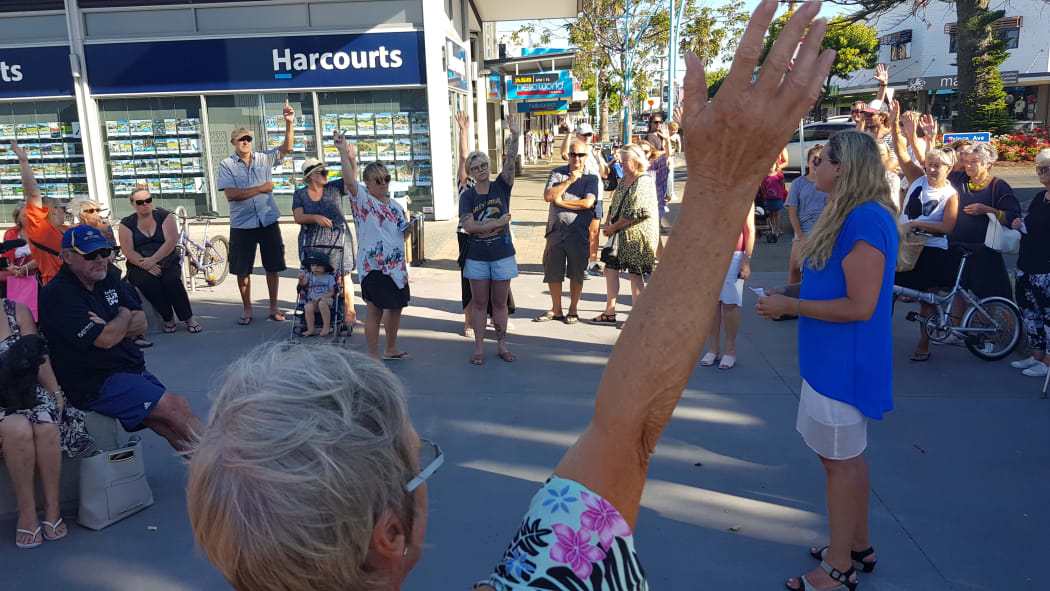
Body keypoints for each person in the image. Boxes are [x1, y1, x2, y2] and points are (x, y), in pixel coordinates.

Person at [185, 6, 836, 590]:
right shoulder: (546, 575)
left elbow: (627, 429)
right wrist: (722, 184)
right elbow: (627, 427)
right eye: (419, 461)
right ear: (391, 536)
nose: (424, 457)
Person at [757, 130, 900, 591]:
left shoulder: (865, 220)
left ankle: (839, 566)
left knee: (840, 463)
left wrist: (791, 306)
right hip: (829, 362)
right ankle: (856, 545)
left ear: (842, 168)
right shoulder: (852, 215)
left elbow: (861, 305)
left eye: (820, 160)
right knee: (843, 458)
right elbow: (834, 284)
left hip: (844, 365)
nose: (813, 166)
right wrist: (790, 291)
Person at [39, 225, 204, 451]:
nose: (100, 259)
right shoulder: (59, 294)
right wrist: (124, 314)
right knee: (177, 407)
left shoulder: (108, 276)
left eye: (104, 252)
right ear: (67, 257)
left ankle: (208, 470)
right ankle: (232, 466)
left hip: (126, 366)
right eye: (90, 254)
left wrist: (112, 324)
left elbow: (141, 323)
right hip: (94, 382)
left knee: (169, 423)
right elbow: (106, 339)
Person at [889, 101, 959, 362]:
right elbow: (901, 153)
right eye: (929, 164)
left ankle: (924, 343)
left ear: (948, 169)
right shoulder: (917, 178)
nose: (931, 169)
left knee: (927, 299)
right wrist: (895, 124)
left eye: (937, 166)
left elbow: (947, 227)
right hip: (906, 245)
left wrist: (918, 224)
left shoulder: (950, 194)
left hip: (931, 249)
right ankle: (878, 338)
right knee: (888, 291)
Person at [216, 99, 296, 325]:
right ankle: (247, 309)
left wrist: (289, 123)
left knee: (273, 266)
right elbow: (231, 195)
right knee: (242, 270)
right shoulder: (227, 165)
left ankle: (273, 307)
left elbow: (287, 148)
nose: (245, 142)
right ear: (233, 142)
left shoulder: (264, 158)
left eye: (248, 139)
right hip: (242, 224)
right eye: (241, 139)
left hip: (267, 220)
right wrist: (262, 188)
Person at [0, 297, 68, 549]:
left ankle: (53, 508)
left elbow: (40, 357)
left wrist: (56, 394)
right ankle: (27, 513)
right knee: (18, 429)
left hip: (26, 391)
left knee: (47, 423)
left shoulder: (15, 310)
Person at [344, 142, 413, 361]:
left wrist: (409, 229)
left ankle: (391, 348)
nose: (383, 183)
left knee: (397, 307)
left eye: (386, 179)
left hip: (396, 267)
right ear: (367, 183)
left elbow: (402, 236)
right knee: (375, 311)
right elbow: (349, 181)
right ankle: (373, 356)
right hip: (373, 266)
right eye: (378, 180)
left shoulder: (395, 206)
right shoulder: (363, 201)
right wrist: (345, 155)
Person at [935, 133, 1021, 307]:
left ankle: (992, 324)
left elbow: (1013, 217)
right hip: (956, 248)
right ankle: (960, 326)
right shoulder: (957, 179)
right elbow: (934, 170)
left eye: (974, 161)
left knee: (990, 299)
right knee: (957, 293)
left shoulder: (999, 186)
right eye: (966, 161)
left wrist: (989, 210)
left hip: (984, 253)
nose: (968, 165)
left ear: (988, 164)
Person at [461, 119, 521, 365]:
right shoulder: (468, 196)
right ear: (470, 172)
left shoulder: (501, 187)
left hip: (502, 254)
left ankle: (502, 345)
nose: (481, 170)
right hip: (477, 257)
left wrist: (515, 136)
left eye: (484, 165)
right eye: (475, 168)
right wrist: (496, 223)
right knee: (479, 304)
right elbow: (469, 227)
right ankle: (478, 348)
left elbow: (510, 162)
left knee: (500, 303)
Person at [591, 144, 658, 328]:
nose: (621, 162)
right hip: (619, 234)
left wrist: (613, 227)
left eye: (624, 159)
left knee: (635, 275)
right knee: (610, 269)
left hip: (636, 236)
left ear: (636, 161)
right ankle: (609, 311)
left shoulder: (643, 181)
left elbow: (637, 212)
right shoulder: (625, 180)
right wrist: (608, 221)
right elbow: (615, 203)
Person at [118, 189, 202, 334]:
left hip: (166, 259)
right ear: (133, 204)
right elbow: (128, 250)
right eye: (140, 202)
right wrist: (146, 265)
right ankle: (167, 318)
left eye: (148, 200)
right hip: (139, 264)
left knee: (172, 280)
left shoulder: (164, 216)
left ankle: (188, 318)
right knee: (148, 282)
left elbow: (171, 242)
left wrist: (153, 260)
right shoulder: (126, 223)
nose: (145, 204)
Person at [536, 139, 598, 325]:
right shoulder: (557, 173)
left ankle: (573, 309)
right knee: (553, 272)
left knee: (576, 273)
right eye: (573, 154)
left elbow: (587, 203)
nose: (576, 158)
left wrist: (562, 202)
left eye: (580, 155)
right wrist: (570, 180)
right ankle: (556, 309)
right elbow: (548, 196)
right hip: (555, 232)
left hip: (578, 233)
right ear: (568, 155)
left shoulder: (591, 178)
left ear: (586, 156)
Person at [291, 151, 357, 327]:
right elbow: (298, 217)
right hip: (312, 242)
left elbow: (351, 181)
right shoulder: (300, 194)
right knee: (313, 276)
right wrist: (315, 217)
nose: (327, 174)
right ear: (312, 176)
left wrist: (352, 160)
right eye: (323, 172)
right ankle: (315, 314)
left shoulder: (334, 188)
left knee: (343, 276)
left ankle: (349, 313)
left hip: (337, 240)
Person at [700, 201, 755, 370]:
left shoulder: (744, 195)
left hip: (734, 255)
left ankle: (730, 350)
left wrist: (746, 260)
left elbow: (750, 229)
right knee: (712, 304)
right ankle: (713, 348)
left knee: (730, 303)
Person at [1010, 149, 1050, 377]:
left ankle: (1048, 361)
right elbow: (1032, 223)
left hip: (1046, 267)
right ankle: (1036, 354)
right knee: (1029, 310)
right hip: (1027, 263)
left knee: (1048, 313)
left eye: (1046, 168)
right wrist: (1018, 223)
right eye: (1038, 168)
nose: (1041, 172)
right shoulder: (1039, 197)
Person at [11, 140, 66, 286]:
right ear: (53, 211)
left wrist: (26, 267)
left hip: (82, 286)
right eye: (62, 207)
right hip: (59, 287)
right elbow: (33, 194)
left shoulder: (66, 230)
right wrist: (24, 162)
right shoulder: (42, 231)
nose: (65, 211)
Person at [560, 120, 609, 277]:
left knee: (594, 231)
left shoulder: (595, 151)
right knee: (577, 230)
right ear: (578, 135)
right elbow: (563, 154)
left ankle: (592, 263)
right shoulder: (575, 152)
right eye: (584, 134)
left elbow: (605, 174)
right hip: (580, 196)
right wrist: (568, 133)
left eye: (590, 134)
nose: (587, 137)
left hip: (597, 196)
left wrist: (598, 158)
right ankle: (578, 263)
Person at [786, 145, 828, 285]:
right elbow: (792, 212)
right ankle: (793, 295)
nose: (816, 164)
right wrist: (801, 236)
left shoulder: (830, 184)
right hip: (802, 232)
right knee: (795, 269)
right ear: (808, 162)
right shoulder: (798, 183)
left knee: (820, 270)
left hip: (823, 233)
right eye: (814, 160)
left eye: (820, 160)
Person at [1, 206, 39, 315]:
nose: (29, 218)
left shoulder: (41, 232)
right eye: (25, 216)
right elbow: (6, 255)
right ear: (18, 219)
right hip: (17, 271)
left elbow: (43, 257)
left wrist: (26, 267)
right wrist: (12, 268)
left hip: (36, 270)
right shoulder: (11, 233)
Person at [297, 252, 336, 337]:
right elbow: (303, 284)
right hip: (313, 300)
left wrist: (321, 297)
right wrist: (301, 279)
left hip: (326, 298)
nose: (315, 267)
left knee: (322, 303)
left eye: (319, 265)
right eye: (313, 265)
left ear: (325, 267)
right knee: (307, 307)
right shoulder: (310, 275)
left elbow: (332, 292)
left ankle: (326, 327)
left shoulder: (329, 277)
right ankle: (310, 329)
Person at [759, 160, 787, 241]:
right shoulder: (766, 176)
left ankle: (777, 229)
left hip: (777, 197)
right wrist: (764, 196)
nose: (771, 166)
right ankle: (771, 229)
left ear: (776, 165)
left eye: (773, 164)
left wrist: (778, 192)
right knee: (770, 214)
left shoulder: (779, 175)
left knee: (777, 214)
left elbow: (782, 184)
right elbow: (763, 187)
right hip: (768, 198)